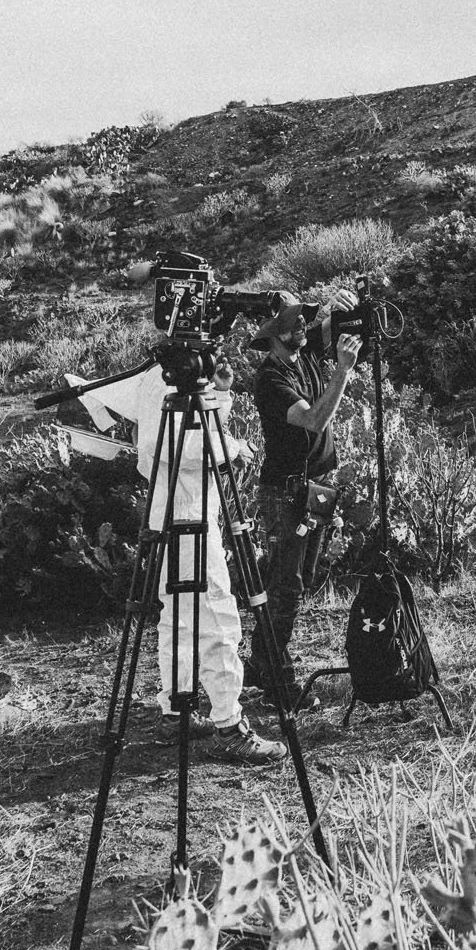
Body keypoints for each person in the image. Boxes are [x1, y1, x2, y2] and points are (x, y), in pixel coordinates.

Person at [72, 356, 288, 764]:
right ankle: (229, 723)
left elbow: (188, 430)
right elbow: (166, 445)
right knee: (217, 613)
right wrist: (232, 448)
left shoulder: (170, 373)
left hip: (178, 507)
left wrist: (220, 395)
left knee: (179, 614)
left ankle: (176, 710)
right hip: (184, 510)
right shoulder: (164, 379)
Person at [247, 289, 361, 711]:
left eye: (303, 320)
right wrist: (344, 372)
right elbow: (313, 420)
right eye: (295, 322)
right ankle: (278, 681)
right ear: (276, 335)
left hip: (316, 488)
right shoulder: (271, 379)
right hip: (285, 492)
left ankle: (262, 660)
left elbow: (329, 327)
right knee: (285, 588)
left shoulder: (303, 352)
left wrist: (341, 308)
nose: (303, 326)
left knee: (294, 582)